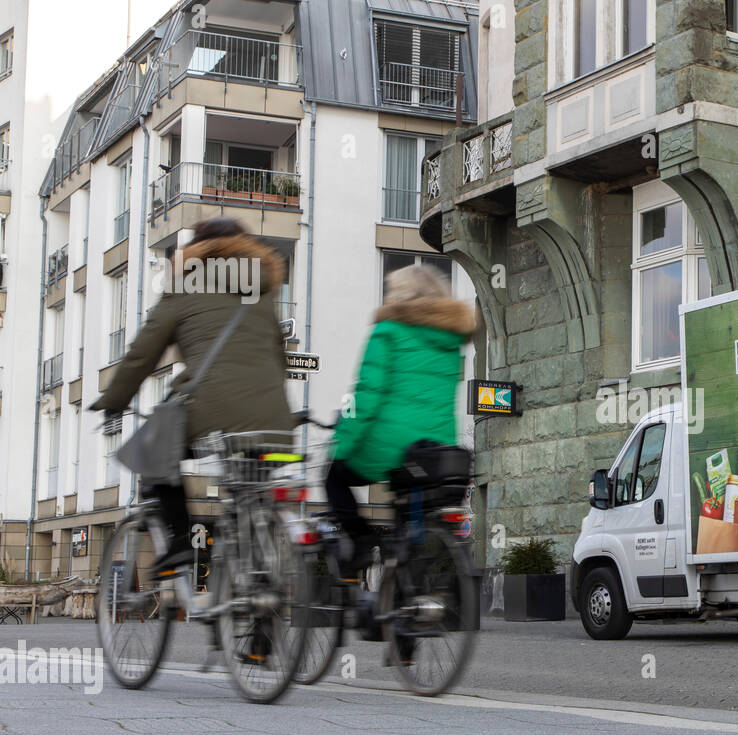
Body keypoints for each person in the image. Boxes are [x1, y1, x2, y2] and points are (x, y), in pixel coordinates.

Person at [90, 217, 293, 576]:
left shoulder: (186, 286)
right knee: (253, 488)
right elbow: (278, 357)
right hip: (274, 421)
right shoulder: (263, 291)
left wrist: (113, 401)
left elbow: (143, 354)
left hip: (210, 411)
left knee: (153, 452)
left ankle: (182, 542)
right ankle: (263, 591)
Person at [327, 264, 476, 574]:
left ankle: (362, 541)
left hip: (391, 448)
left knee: (333, 477)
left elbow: (365, 395)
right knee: (409, 512)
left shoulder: (388, 331)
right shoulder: (450, 341)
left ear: (403, 294)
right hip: (437, 450)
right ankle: (408, 587)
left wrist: (342, 443)